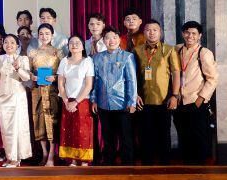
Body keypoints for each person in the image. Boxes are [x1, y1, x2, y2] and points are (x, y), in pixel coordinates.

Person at [133, 20, 180, 165]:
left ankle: (164, 166)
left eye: (155, 30)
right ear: (144, 32)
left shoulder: (169, 50)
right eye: (148, 30)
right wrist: (135, 94)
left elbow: (176, 73)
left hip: (164, 100)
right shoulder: (137, 51)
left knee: (164, 135)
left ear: (160, 32)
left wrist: (175, 95)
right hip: (143, 100)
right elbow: (132, 75)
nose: (151, 33)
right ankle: (146, 166)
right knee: (145, 135)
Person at [92, 28, 138, 166]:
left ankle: (128, 166)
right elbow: (96, 80)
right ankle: (109, 165)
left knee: (125, 137)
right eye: (107, 38)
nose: (111, 40)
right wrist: (94, 100)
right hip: (103, 103)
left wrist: (132, 102)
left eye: (114, 37)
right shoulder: (97, 57)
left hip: (122, 103)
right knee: (107, 137)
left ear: (119, 39)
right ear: (104, 40)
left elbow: (131, 80)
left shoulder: (127, 56)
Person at [175, 20, 218, 165]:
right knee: (183, 136)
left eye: (194, 33)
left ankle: (199, 168)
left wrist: (201, 99)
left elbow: (212, 79)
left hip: (196, 101)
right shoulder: (177, 50)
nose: (190, 36)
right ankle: (187, 168)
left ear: (200, 35)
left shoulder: (204, 53)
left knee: (198, 137)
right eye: (187, 32)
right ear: (183, 34)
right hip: (180, 102)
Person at [0, 34, 33, 167]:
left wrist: (18, 68)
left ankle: (16, 158)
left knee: (15, 127)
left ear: (17, 45)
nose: (8, 45)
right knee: (5, 128)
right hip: (1, 96)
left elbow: (26, 77)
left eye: (12, 42)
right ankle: (9, 156)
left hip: (16, 96)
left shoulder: (23, 58)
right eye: (6, 42)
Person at [57, 35, 95, 166]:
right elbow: (61, 83)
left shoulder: (87, 61)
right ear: (68, 46)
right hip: (67, 101)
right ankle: (72, 159)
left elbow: (89, 85)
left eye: (77, 43)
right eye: (71, 43)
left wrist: (76, 102)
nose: (74, 45)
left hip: (82, 101)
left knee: (83, 130)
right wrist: (66, 101)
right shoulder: (64, 61)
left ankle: (84, 160)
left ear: (83, 46)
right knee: (69, 129)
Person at [28, 24, 62, 166]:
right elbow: (28, 71)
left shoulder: (58, 52)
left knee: (52, 120)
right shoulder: (33, 52)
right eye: (41, 33)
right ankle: (44, 153)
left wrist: (55, 78)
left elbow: (64, 72)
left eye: (47, 33)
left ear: (52, 35)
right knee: (39, 120)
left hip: (52, 90)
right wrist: (32, 76)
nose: (44, 36)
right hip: (37, 91)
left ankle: (52, 155)